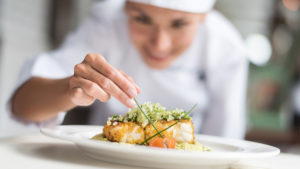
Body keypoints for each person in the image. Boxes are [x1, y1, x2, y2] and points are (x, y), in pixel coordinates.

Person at [9, 0, 248, 139]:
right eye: (142, 19)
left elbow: (226, 138)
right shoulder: (107, 24)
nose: (160, 44)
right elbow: (23, 105)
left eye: (179, 24)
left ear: (204, 17)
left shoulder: (225, 46)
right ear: (125, 9)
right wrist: (70, 89)